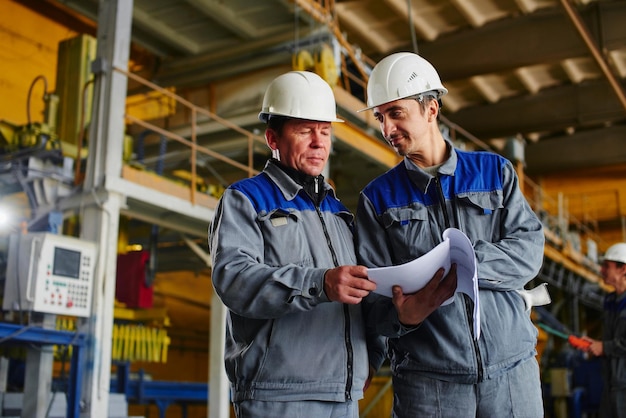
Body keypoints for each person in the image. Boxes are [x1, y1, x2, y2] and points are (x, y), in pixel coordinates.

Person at [355, 52, 546, 417]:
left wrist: (469, 262)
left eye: (396, 113)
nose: (386, 129)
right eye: (380, 117)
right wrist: (403, 316)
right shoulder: (377, 200)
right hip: (429, 383)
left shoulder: (495, 173)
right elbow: (372, 304)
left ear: (431, 109)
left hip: (512, 372)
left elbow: (529, 249)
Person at [208, 70, 384, 418]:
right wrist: (319, 283)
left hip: (343, 395)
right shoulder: (245, 200)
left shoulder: (339, 213)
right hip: (278, 396)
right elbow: (234, 279)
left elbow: (360, 296)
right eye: (305, 131)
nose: (319, 143)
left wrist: (371, 359)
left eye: (325, 132)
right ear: (273, 138)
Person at [579, 242, 626, 417]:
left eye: (607, 266)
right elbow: (610, 337)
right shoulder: (610, 300)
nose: (601, 270)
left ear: (623, 269)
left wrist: (604, 347)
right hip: (610, 384)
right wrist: (595, 345)